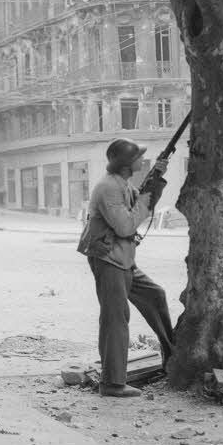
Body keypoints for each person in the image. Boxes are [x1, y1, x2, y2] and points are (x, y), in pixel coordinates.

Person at [77, 138, 174, 397]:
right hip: (109, 259)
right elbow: (126, 226)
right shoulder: (108, 188)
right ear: (126, 164)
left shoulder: (122, 183)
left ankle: (172, 357)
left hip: (123, 259)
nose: (142, 160)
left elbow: (139, 203)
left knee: (155, 295)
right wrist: (144, 199)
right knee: (116, 319)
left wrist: (155, 181)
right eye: (138, 158)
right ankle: (112, 383)